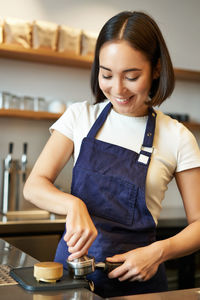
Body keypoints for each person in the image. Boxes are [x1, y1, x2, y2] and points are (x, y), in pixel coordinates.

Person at [24, 11, 200, 298]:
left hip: (139, 288)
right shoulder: (79, 117)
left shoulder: (177, 136)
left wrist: (158, 252)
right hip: (70, 280)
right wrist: (73, 206)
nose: (117, 89)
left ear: (156, 69)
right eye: (106, 74)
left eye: (131, 76)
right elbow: (34, 185)